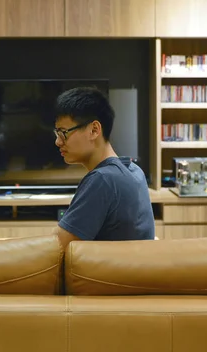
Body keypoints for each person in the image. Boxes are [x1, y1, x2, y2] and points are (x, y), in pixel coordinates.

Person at [53, 87, 155, 250]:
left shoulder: (103, 179)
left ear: (94, 130)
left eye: (64, 132)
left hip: (107, 275)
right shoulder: (134, 170)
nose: (58, 142)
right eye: (57, 133)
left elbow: (56, 248)